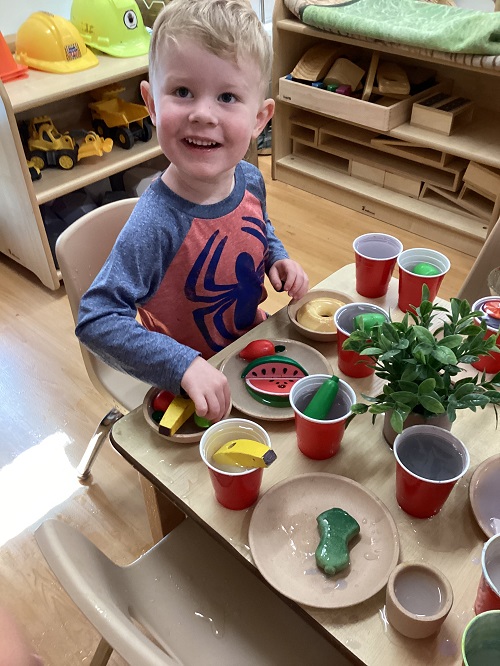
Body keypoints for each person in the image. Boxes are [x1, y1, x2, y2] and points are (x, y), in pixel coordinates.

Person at [76, 0, 309, 422]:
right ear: (151, 102)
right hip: (187, 384)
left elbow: (258, 224)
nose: (203, 113)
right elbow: (96, 318)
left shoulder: (250, 178)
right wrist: (181, 364)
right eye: (182, 92)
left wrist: (277, 255)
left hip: (247, 344)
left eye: (227, 96)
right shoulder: (157, 223)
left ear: (260, 118)